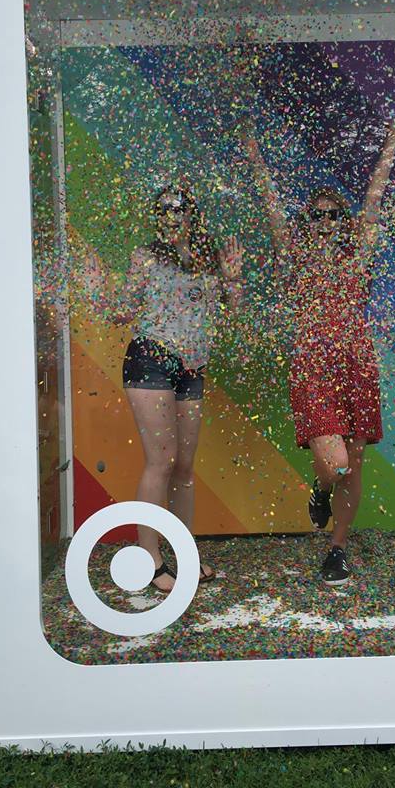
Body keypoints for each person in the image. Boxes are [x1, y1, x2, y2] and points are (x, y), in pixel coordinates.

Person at [243, 112, 395, 586]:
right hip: (312, 365)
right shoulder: (294, 253)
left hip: (356, 362)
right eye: (316, 214)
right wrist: (255, 155)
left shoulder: (357, 251)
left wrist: (392, 138)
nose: (324, 221)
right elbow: (269, 204)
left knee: (355, 461)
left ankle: (337, 549)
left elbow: (375, 198)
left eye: (332, 214)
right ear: (308, 221)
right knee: (335, 461)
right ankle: (321, 492)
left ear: (342, 222)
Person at [88, 185, 244, 593]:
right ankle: (151, 561)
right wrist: (97, 287)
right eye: (164, 210)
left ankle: (184, 554)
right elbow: (122, 310)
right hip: (151, 360)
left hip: (192, 366)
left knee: (185, 468)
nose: (173, 215)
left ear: (193, 215)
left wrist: (232, 279)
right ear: (157, 217)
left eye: (180, 208)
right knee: (161, 461)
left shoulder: (208, 260)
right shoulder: (146, 257)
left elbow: (233, 309)